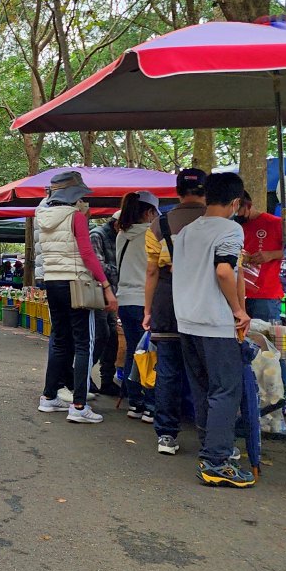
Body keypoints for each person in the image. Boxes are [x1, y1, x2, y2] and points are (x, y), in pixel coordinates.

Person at [172, 171, 254, 488]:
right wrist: (238, 310)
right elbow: (223, 270)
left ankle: (211, 451)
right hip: (215, 323)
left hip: (187, 322)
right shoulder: (231, 230)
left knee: (203, 390)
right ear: (235, 202)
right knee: (225, 391)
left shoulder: (188, 231)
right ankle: (217, 461)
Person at [35, 178, 118, 423]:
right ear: (74, 195)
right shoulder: (75, 217)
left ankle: (49, 397)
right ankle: (79, 405)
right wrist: (105, 286)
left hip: (52, 282)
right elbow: (87, 254)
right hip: (76, 284)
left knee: (59, 340)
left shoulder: (44, 217)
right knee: (85, 343)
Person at [143, 168, 207, 455]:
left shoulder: (160, 224)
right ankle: (209, 435)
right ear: (206, 191)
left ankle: (166, 435)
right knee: (205, 370)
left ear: (178, 192)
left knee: (168, 369)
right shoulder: (218, 221)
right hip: (206, 298)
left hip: (168, 298)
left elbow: (152, 270)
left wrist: (147, 310)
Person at [115, 191, 160, 420]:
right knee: (150, 353)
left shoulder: (122, 235)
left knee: (134, 349)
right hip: (145, 301)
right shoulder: (153, 234)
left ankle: (135, 403)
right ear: (149, 212)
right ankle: (151, 403)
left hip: (125, 299)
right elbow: (153, 269)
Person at [236, 191, 286, 323]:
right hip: (238, 293)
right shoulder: (234, 227)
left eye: (238, 210)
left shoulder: (275, 223)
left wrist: (272, 254)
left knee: (264, 337)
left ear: (248, 205)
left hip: (266, 293)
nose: (236, 214)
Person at [89, 212, 123, 397]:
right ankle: (84, 376)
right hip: (97, 294)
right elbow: (97, 266)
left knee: (112, 338)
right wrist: (123, 270)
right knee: (101, 335)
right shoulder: (98, 235)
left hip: (113, 295)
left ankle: (107, 380)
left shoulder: (121, 237)